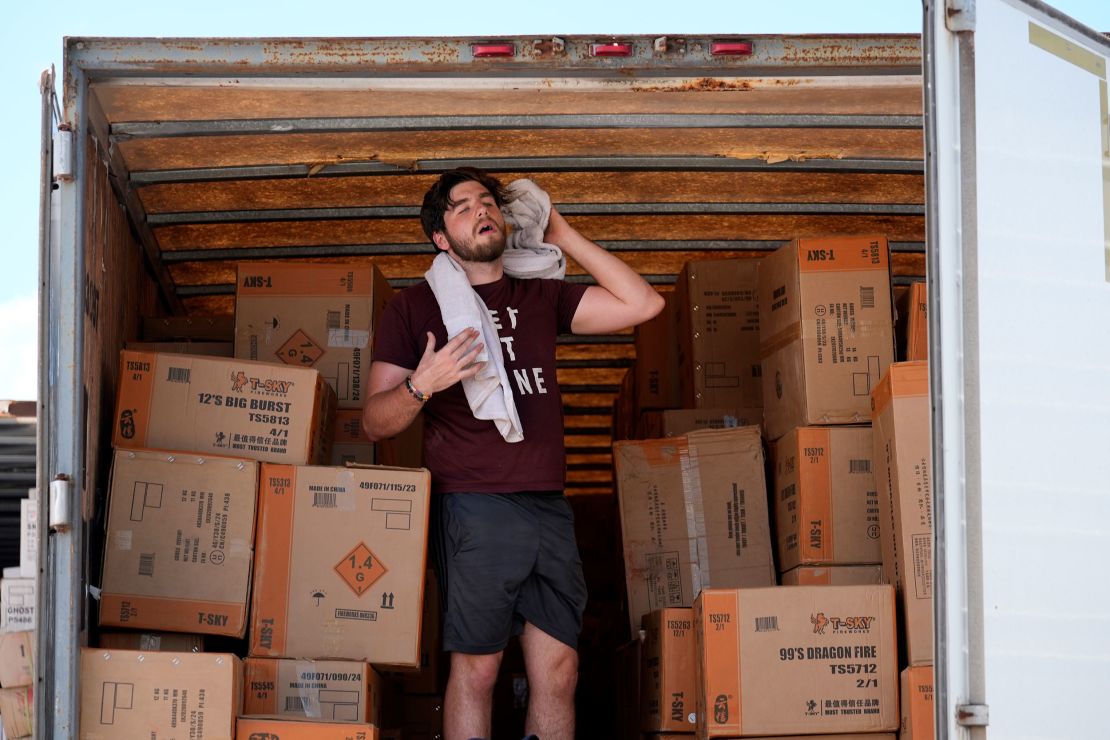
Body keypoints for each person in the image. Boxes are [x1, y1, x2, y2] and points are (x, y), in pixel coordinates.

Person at [362, 167, 663, 740]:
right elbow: (374, 422)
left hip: (548, 505)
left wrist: (563, 233)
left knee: (560, 669)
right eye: (461, 206)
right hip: (475, 507)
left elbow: (643, 304)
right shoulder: (416, 309)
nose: (482, 210)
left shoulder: (541, 294)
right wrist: (424, 384)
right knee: (478, 669)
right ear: (441, 239)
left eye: (487, 201)